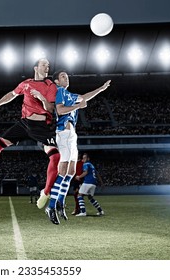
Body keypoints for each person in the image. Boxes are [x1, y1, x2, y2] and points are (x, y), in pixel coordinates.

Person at [0, 58, 60, 201]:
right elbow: (12, 94)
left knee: (55, 156)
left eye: (48, 65)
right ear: (36, 68)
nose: (47, 67)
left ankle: (46, 192)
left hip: (40, 126)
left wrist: (41, 98)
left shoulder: (50, 85)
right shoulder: (26, 83)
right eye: (44, 64)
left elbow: (51, 108)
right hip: (24, 124)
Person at [44, 70, 110, 224]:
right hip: (64, 133)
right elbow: (59, 110)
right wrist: (78, 106)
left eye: (67, 75)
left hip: (72, 136)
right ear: (57, 82)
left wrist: (100, 89)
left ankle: (60, 202)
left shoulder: (70, 95)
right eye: (62, 76)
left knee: (71, 172)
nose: (66, 77)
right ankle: (51, 206)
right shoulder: (59, 91)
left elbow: (85, 97)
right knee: (63, 172)